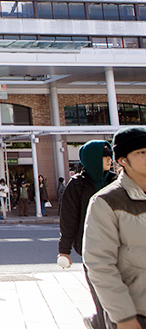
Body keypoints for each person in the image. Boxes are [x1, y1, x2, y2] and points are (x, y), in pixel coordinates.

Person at [84, 126, 146, 329]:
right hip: (137, 313)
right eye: (142, 152)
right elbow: (100, 263)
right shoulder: (106, 201)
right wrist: (124, 316)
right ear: (122, 160)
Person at [58, 139, 117, 329]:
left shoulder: (115, 181)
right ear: (92, 159)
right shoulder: (77, 185)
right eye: (105, 156)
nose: (109, 160)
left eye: (110, 156)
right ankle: (99, 322)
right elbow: (68, 219)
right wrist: (64, 250)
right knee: (101, 295)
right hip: (91, 248)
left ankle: (97, 322)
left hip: (119, 247)